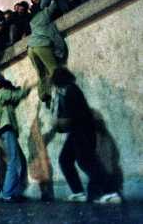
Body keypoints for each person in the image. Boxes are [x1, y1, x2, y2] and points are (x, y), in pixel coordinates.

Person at [51, 68, 122, 203]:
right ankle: (78, 192)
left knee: (87, 162)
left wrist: (58, 123)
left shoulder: (71, 91)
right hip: (77, 132)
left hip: (82, 132)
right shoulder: (69, 90)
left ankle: (111, 192)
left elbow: (73, 117)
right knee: (65, 160)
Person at [0, 80, 31, 202]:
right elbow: (17, 95)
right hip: (6, 130)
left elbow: (15, 100)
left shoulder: (2, 99)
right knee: (14, 161)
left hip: (4, 131)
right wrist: (25, 89)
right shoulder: (2, 93)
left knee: (17, 161)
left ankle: (13, 192)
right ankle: (8, 193)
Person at [27, 0, 67, 107]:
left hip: (30, 48)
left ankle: (44, 95)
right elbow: (54, 4)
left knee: (41, 73)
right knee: (54, 69)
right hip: (41, 45)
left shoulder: (32, 21)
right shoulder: (45, 13)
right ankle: (63, 93)